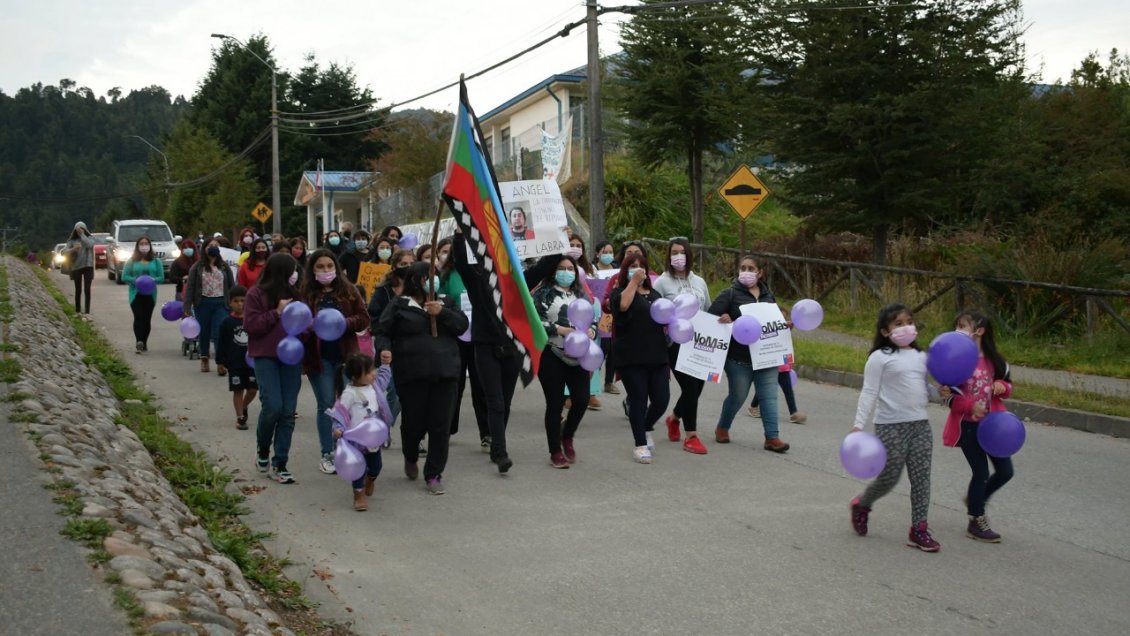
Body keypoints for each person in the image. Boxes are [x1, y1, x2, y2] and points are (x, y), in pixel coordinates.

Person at [452, 231, 555, 473]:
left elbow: (544, 267)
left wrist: (556, 241)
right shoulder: (477, 283)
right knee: (495, 402)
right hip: (485, 347)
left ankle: (495, 439)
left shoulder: (518, 284)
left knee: (505, 403)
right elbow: (461, 263)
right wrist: (459, 238)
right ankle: (500, 452)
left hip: (511, 349)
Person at [848, 303, 941, 552]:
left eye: (909, 322)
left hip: (920, 425)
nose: (906, 327)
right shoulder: (880, 358)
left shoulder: (921, 357)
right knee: (889, 477)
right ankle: (863, 504)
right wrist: (858, 425)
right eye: (898, 324)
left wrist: (940, 392)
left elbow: (925, 389)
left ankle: (919, 529)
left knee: (921, 479)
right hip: (890, 426)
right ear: (886, 331)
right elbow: (869, 392)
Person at [374, 262, 469, 495]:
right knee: (414, 423)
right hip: (412, 374)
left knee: (440, 426)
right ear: (415, 279)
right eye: (427, 276)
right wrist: (384, 349)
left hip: (445, 374)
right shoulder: (399, 305)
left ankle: (434, 474)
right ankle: (410, 454)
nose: (432, 280)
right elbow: (383, 331)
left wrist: (442, 313)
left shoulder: (445, 301)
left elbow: (462, 326)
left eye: (435, 275)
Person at [942, 310, 1014, 543]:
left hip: (994, 427)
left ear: (980, 330)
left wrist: (1003, 387)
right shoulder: (957, 361)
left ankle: (977, 498)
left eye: (963, 326)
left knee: (1005, 472)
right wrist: (969, 406)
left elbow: (1008, 385)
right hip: (968, 427)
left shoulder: (997, 361)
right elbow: (949, 398)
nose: (958, 331)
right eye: (957, 326)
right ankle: (976, 520)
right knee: (981, 472)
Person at [709, 255, 790, 453]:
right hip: (738, 359)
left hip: (766, 358)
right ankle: (723, 427)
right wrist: (723, 319)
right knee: (738, 396)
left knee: (769, 397)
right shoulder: (729, 294)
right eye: (742, 267)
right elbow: (710, 318)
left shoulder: (768, 296)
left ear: (759, 273)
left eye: (751, 268)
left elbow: (774, 323)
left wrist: (785, 325)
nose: (746, 271)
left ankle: (772, 437)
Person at [302, 249, 371, 475]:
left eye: (329, 266)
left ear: (336, 268)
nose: (325, 271)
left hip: (346, 357)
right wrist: (310, 325)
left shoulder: (349, 290)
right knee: (326, 406)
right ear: (312, 270)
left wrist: (343, 322)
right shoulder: (306, 294)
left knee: (346, 404)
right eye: (320, 267)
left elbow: (363, 319)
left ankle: (347, 445)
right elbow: (297, 323)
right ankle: (327, 453)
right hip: (318, 358)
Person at [533, 254, 598, 468]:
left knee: (581, 400)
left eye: (571, 268)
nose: (567, 272)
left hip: (578, 356)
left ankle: (567, 435)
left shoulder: (581, 294)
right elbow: (534, 321)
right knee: (555, 403)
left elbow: (593, 320)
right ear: (553, 271)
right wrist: (558, 329)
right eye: (562, 268)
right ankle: (555, 451)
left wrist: (591, 331)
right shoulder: (543, 293)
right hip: (552, 353)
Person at [244, 253, 303, 484]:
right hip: (265, 356)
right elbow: (251, 325)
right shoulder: (256, 294)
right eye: (293, 270)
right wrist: (276, 312)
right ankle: (262, 448)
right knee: (273, 407)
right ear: (282, 272)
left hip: (291, 359)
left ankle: (280, 463)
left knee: (288, 411)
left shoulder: (297, 296)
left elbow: (305, 324)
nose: (296, 275)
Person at [653, 237, 711, 454]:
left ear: (689, 255)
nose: (679, 257)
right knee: (690, 387)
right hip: (674, 345)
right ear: (669, 256)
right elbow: (655, 311)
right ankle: (692, 436)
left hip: (699, 344)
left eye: (682, 252)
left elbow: (708, 309)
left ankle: (674, 418)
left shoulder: (700, 282)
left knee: (697, 389)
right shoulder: (662, 282)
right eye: (674, 252)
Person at [609, 253, 669, 463]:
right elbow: (623, 306)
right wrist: (633, 282)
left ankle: (645, 427)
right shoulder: (619, 292)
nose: (638, 269)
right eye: (633, 266)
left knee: (662, 400)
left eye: (641, 266)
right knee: (638, 400)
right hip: (631, 356)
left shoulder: (655, 295)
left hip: (657, 355)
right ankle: (640, 444)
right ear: (626, 270)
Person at [438, 236, 489, 449]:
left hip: (479, 337)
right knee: (454, 386)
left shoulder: (483, 273)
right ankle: (448, 429)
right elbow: (441, 300)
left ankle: (486, 432)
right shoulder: (448, 274)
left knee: (481, 386)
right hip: (455, 337)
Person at [330, 353, 391, 511]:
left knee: (376, 466)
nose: (374, 374)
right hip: (356, 441)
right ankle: (358, 495)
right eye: (370, 372)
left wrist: (385, 365)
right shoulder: (349, 394)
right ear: (356, 376)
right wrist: (338, 429)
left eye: (373, 370)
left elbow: (384, 380)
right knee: (358, 469)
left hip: (373, 439)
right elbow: (340, 414)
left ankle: (370, 480)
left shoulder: (374, 386)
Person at [183, 238, 236, 373]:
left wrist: (234, 302)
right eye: (210, 246)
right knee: (204, 332)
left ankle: (220, 362)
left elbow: (231, 285)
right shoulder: (197, 267)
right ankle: (204, 358)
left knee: (218, 332)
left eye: (216, 246)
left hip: (221, 304)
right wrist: (187, 306)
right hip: (203, 303)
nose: (213, 248)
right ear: (204, 249)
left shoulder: (224, 266)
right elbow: (190, 287)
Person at [216, 286, 257, 430]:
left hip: (252, 362)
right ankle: (240, 417)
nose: (240, 304)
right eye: (236, 301)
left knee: (252, 389)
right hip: (234, 362)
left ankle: (244, 406)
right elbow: (221, 343)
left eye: (243, 301)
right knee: (238, 389)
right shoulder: (226, 323)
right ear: (230, 303)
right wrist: (220, 361)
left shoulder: (253, 320)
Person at [120, 235, 165, 354]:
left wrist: (153, 280)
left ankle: (144, 341)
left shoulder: (156, 261)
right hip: (136, 294)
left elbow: (161, 277)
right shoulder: (132, 261)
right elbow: (124, 276)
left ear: (150, 246)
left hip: (150, 295)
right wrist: (136, 281)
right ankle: (139, 341)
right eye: (142, 244)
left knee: (146, 319)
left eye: (146, 243)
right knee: (138, 317)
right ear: (138, 246)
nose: (144, 246)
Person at [66, 221, 95, 315]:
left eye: (82, 228)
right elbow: (64, 251)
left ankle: (87, 311)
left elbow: (89, 245)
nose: (79, 230)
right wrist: (72, 249)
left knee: (87, 289)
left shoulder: (89, 238)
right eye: (78, 229)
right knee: (78, 289)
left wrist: (83, 235)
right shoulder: (72, 241)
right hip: (76, 266)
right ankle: (77, 310)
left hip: (88, 266)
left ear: (85, 229)